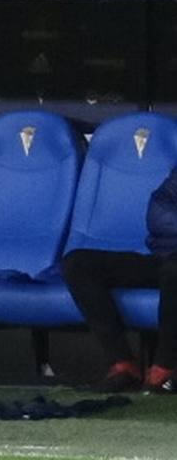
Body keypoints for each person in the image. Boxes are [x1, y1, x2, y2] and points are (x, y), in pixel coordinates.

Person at [62, 167, 177, 394]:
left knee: (174, 272)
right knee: (78, 263)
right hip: (166, 257)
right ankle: (123, 366)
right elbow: (159, 212)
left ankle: (164, 370)